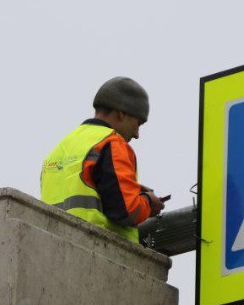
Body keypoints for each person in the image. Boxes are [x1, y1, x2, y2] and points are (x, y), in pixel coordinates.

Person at [40, 77, 166, 243]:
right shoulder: (112, 143)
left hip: (52, 248)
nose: (137, 135)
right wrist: (149, 201)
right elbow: (126, 211)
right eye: (138, 124)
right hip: (97, 250)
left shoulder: (59, 149)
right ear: (122, 113)